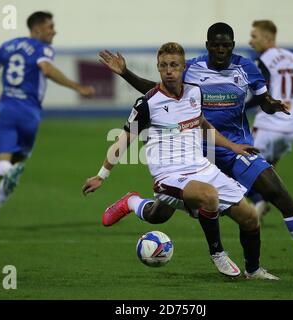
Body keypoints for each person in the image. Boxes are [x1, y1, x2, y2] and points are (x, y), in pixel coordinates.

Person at [98, 23, 293, 280]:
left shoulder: (247, 67)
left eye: (226, 45)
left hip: (234, 147)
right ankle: (133, 202)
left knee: (277, 193)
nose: (220, 50)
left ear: (233, 46)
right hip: (197, 151)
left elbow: (263, 101)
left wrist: (271, 105)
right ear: (207, 46)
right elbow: (160, 90)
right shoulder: (191, 67)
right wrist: (125, 73)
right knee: (161, 214)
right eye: (215, 45)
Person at [83, 42, 278, 280]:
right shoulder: (147, 104)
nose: (168, 70)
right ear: (158, 67)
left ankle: (254, 270)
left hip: (202, 168)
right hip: (168, 175)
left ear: (183, 67)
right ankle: (218, 253)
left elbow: (204, 125)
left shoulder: (194, 93)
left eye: (174, 65)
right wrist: (101, 175)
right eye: (163, 65)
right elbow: (123, 141)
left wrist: (233, 146)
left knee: (249, 217)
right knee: (208, 197)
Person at [0, 11, 95, 226]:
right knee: (15, 166)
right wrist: (77, 87)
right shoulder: (43, 49)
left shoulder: (8, 46)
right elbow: (46, 68)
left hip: (6, 111)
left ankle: (5, 176)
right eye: (50, 27)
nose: (54, 31)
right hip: (31, 117)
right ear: (37, 29)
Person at [247, 20, 293, 218]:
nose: (251, 42)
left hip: (267, 127)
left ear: (267, 38)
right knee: (269, 173)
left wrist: (238, 107)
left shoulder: (263, 61)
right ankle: (265, 203)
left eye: (254, 36)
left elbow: (260, 95)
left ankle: (259, 202)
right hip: (290, 129)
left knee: (236, 167)